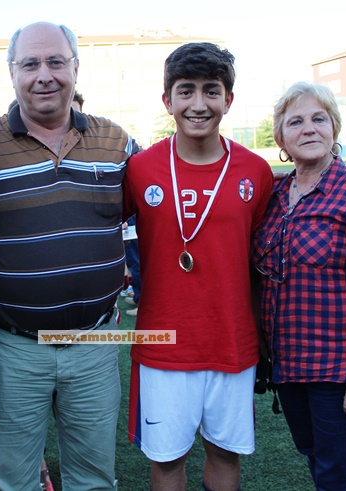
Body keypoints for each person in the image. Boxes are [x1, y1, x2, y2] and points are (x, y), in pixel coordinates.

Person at [0, 22, 137, 491]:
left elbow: (149, 209)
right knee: (13, 480)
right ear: (12, 72)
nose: (44, 75)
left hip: (94, 344)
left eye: (56, 62)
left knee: (94, 479)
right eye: (31, 64)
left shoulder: (115, 141)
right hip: (15, 349)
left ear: (76, 68)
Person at [124, 42, 274, 491]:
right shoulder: (140, 169)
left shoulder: (256, 171)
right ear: (167, 100)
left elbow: (260, 260)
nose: (198, 104)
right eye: (186, 90)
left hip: (232, 341)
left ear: (229, 99)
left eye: (212, 91)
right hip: (163, 344)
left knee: (225, 454)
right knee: (167, 460)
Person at [252, 81, 346, 490]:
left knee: (340, 474)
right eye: (295, 122)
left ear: (334, 127)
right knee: (316, 457)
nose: (309, 128)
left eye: (319, 119)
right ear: (281, 137)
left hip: (341, 368)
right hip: (288, 366)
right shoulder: (274, 193)